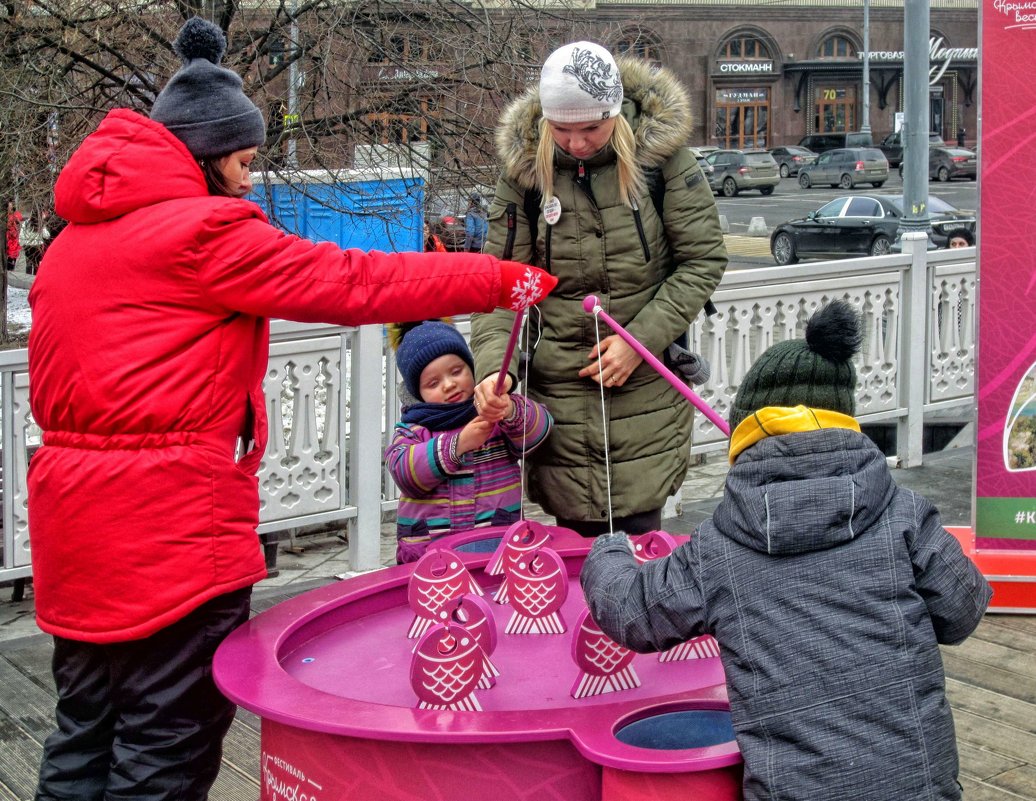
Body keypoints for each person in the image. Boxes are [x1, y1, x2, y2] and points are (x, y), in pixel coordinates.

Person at [27, 17, 555, 801]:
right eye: (242, 163)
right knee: (162, 743)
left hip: (73, 526)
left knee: (86, 727)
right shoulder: (201, 233)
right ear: (204, 157)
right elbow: (356, 282)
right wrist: (498, 280)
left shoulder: (76, 239)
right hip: (168, 527)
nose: (248, 181)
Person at [580, 300, 992, 801]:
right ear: (845, 421)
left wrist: (609, 553)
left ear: (748, 432)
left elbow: (632, 611)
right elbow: (964, 610)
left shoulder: (720, 545)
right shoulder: (904, 514)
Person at [470, 41, 727, 537]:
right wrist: (491, 371)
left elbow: (703, 260)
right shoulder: (524, 176)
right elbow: (501, 287)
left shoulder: (663, 162)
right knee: (571, 539)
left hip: (643, 387)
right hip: (559, 391)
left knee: (641, 532)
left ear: (616, 111)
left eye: (591, 127)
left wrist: (640, 342)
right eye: (561, 130)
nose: (578, 143)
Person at [385, 320, 553, 563]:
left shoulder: (490, 412)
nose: (449, 384)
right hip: (432, 558)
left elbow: (540, 432)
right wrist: (458, 445)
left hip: (497, 548)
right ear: (416, 392)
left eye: (456, 371)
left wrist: (511, 410)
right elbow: (404, 472)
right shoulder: (413, 429)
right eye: (433, 383)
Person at [19, 209, 51, 275]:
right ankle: (34, 279)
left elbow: (21, 235)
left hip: (28, 246)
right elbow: (47, 236)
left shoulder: (26, 223)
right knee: (36, 265)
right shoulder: (40, 224)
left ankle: (27, 279)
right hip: (38, 246)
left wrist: (22, 244)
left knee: (29, 264)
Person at [6, 201, 22, 271]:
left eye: (10, 207)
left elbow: (19, 221)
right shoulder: (5, 216)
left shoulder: (16, 215)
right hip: (7, 239)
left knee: (13, 255)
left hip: (13, 239)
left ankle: (11, 267)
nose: (9, 208)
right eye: (8, 207)